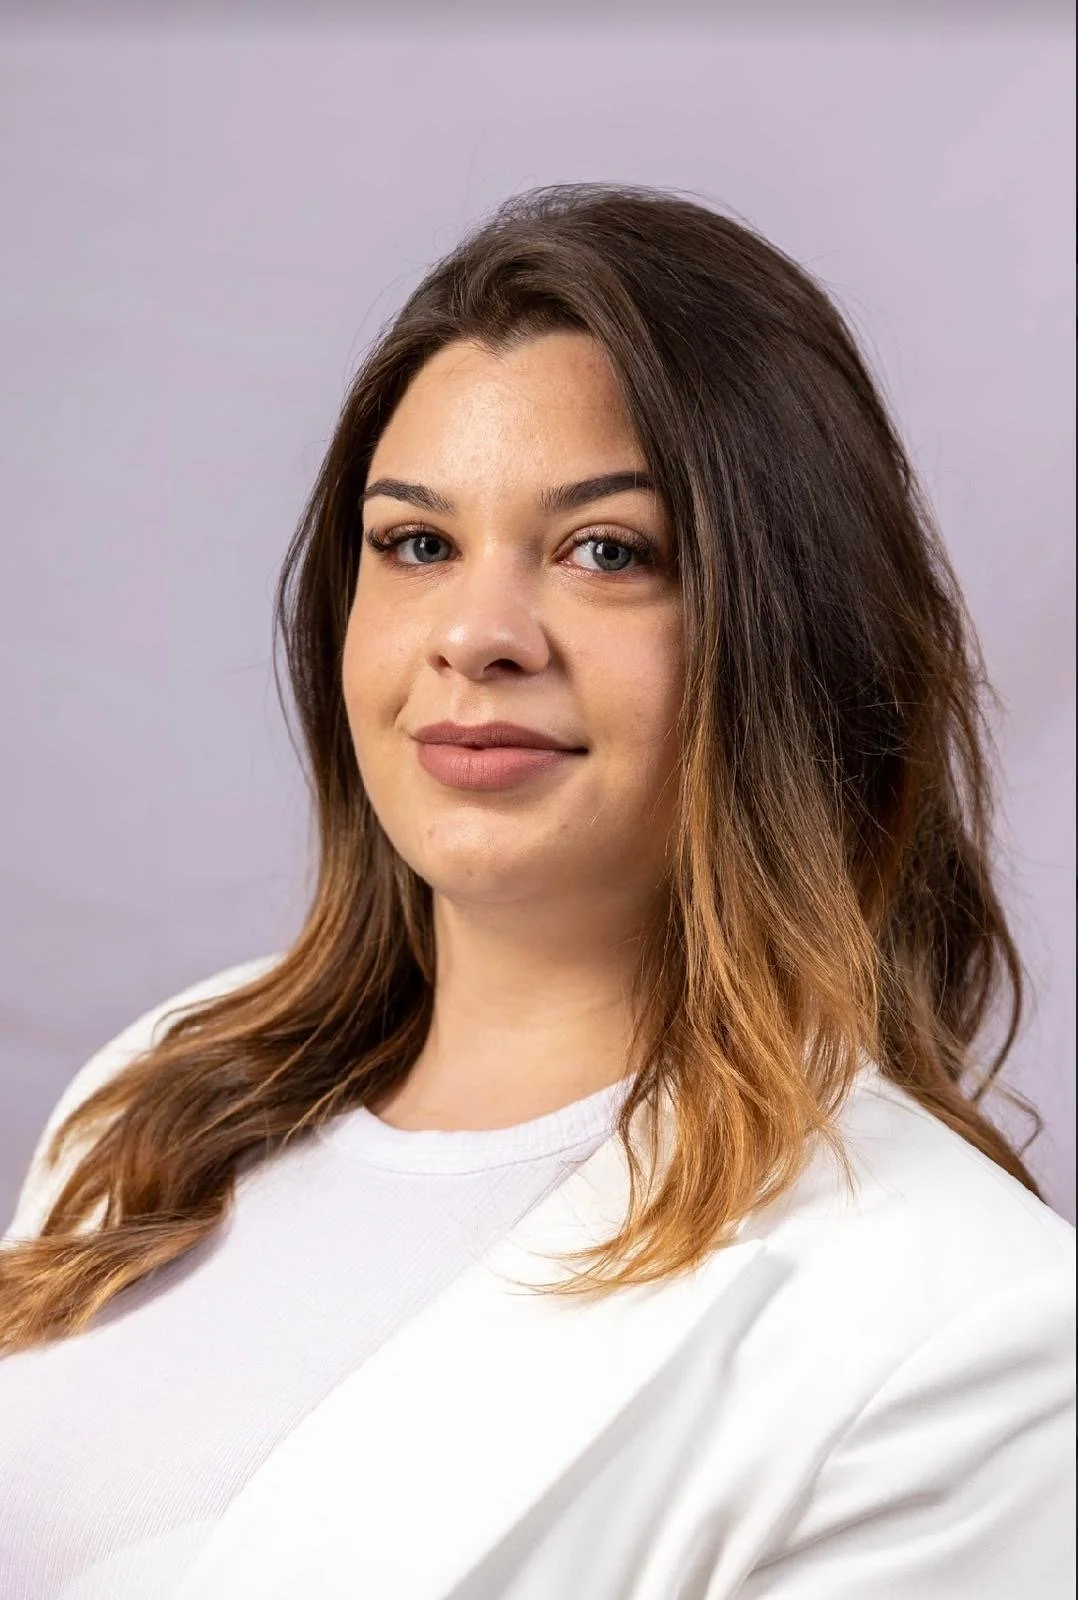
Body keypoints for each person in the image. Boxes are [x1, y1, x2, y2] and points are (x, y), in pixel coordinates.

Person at [0, 182, 1073, 1600]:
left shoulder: (972, 1332)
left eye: (606, 552)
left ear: (797, 633)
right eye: (417, 544)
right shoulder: (156, 1094)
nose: (476, 635)